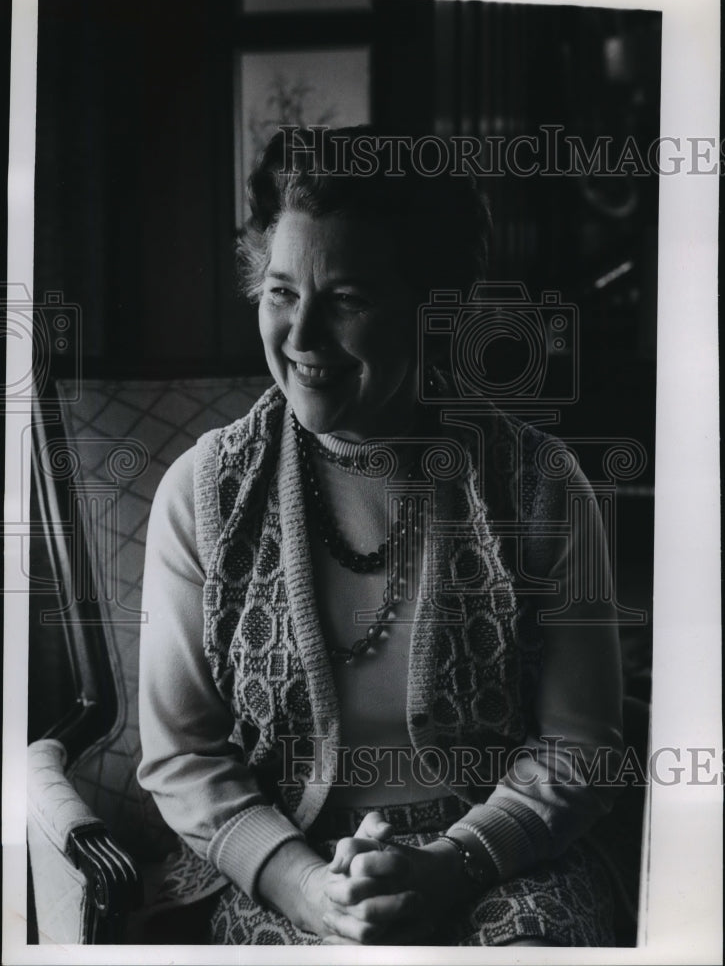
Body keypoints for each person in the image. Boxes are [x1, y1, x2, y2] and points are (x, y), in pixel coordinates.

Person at [137, 126, 624, 946]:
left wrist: (453, 863)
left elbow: (579, 749)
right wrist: (300, 885)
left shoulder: (539, 484)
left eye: (349, 299)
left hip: (504, 861)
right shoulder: (203, 492)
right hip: (281, 866)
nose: (300, 338)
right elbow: (182, 756)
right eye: (282, 292)